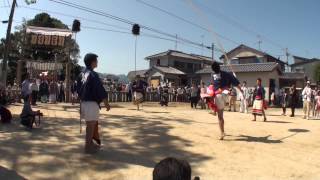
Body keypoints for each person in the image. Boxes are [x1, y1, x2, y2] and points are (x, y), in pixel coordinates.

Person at [77, 53, 111, 154]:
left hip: (83, 103)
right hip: (91, 103)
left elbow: (77, 90)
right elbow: (100, 90)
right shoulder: (93, 74)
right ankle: (88, 147)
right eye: (96, 60)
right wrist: (106, 103)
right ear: (92, 62)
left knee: (90, 125)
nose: (97, 62)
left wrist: (80, 104)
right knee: (90, 126)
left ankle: (90, 144)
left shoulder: (81, 74)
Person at [211, 61, 242, 140]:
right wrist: (241, 89)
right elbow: (236, 83)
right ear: (219, 67)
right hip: (226, 94)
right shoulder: (226, 74)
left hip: (218, 95)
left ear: (213, 69)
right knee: (221, 113)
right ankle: (214, 111)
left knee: (220, 116)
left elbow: (212, 86)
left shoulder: (213, 76)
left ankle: (222, 133)